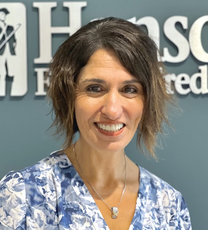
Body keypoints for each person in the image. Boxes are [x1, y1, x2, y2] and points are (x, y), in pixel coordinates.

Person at [0, 17, 192, 229]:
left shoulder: (168, 205)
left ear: (147, 101)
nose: (112, 109)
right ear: (69, 96)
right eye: (94, 88)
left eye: (129, 90)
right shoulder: (22, 195)